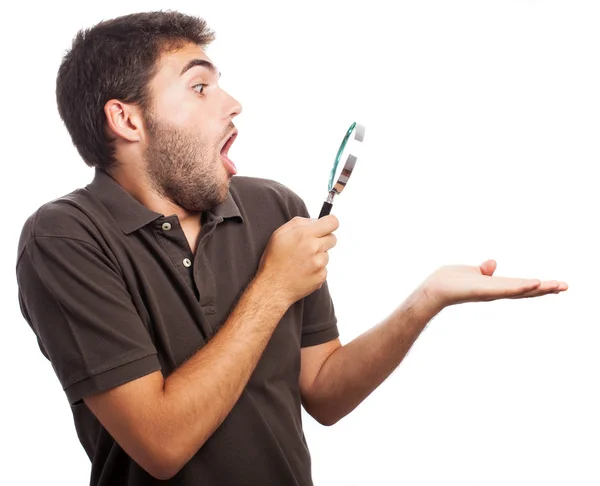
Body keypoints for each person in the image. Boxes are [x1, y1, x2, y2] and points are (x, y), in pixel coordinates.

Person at [15, 10, 568, 486]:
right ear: (127, 119)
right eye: (200, 86)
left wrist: (426, 300)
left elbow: (324, 392)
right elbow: (161, 444)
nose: (233, 103)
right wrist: (273, 286)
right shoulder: (64, 239)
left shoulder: (273, 208)